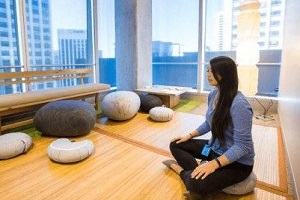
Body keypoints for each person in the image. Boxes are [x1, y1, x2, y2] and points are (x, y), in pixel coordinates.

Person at [163, 56, 255, 199]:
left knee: (197, 185)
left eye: (212, 71)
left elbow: (243, 146)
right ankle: (198, 172)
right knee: (175, 144)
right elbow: (208, 123)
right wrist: (189, 135)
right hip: (214, 149)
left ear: (225, 74)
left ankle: (180, 171)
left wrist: (214, 165)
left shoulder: (240, 105)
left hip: (237, 163)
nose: (208, 74)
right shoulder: (213, 94)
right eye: (208, 70)